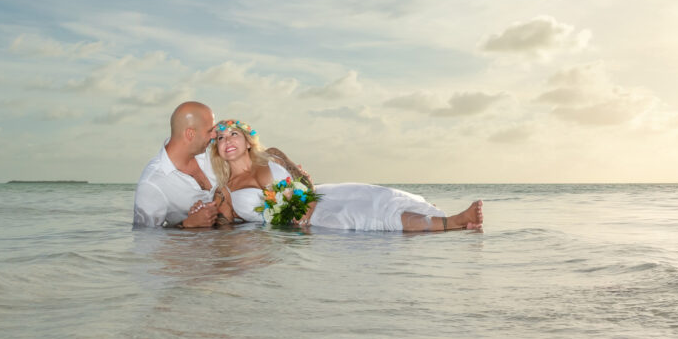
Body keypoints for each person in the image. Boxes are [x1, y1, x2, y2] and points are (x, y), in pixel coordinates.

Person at [196, 119, 483, 231]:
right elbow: (223, 230)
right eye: (220, 138)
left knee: (378, 198)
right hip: (303, 230)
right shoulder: (225, 191)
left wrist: (305, 207)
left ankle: (453, 221)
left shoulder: (273, 155)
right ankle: (456, 223)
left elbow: (303, 183)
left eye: (234, 134)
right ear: (217, 149)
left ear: (248, 141)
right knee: (372, 220)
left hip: (319, 200)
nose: (227, 139)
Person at [132, 101, 226, 228]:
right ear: (190, 134)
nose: (215, 135)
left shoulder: (212, 153)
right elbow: (145, 236)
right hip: (193, 247)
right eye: (210, 131)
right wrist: (187, 224)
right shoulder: (152, 183)